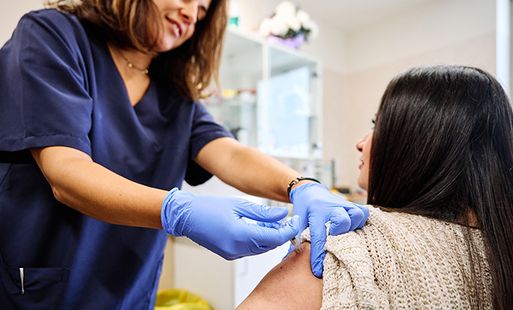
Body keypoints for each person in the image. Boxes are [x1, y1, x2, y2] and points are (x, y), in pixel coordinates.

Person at [0, 0, 370, 308]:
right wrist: (176, 211)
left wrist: (301, 185)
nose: (192, 13)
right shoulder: (55, 36)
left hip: (127, 291)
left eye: (203, 8)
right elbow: (66, 172)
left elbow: (230, 154)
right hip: (41, 285)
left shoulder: (175, 94)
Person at [238, 65, 513, 309]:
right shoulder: (500, 251)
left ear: (418, 144)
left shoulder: (342, 250)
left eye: (377, 124)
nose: (361, 142)